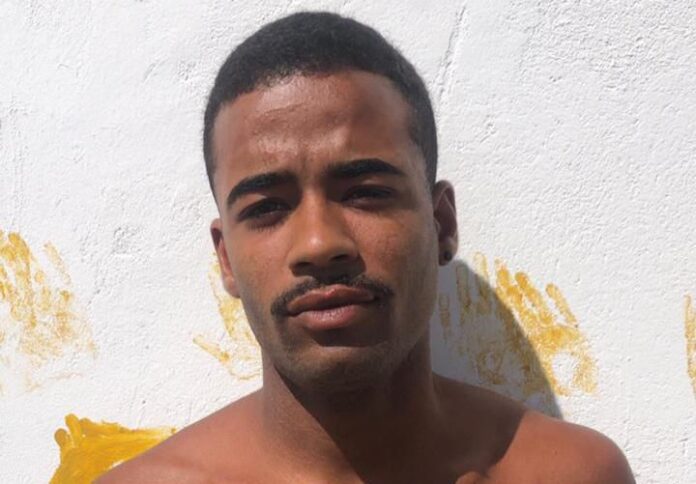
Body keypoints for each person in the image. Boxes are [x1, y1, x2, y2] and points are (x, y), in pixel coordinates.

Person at [99, 11, 634, 483]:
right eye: (266, 208)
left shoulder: (573, 474)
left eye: (365, 193)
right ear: (226, 259)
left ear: (442, 223)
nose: (319, 243)